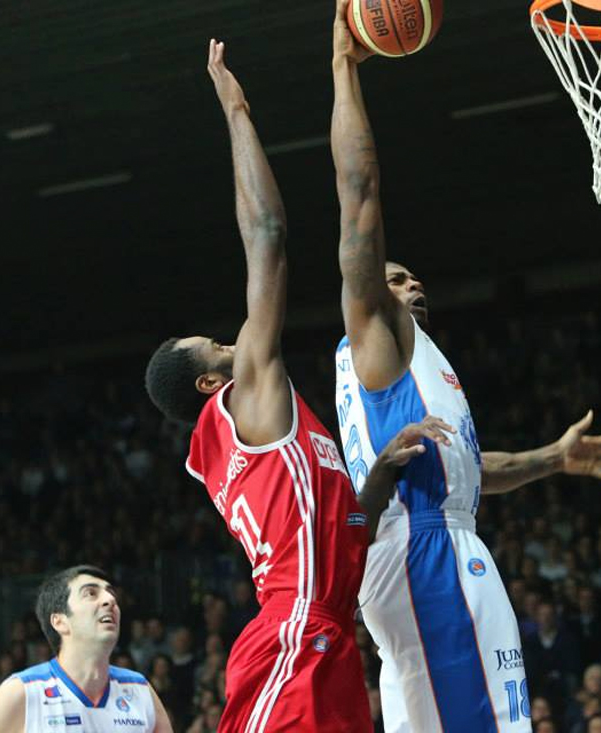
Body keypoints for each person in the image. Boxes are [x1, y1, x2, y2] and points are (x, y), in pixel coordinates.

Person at [328, 2, 601, 730]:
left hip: (431, 539)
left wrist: (550, 458)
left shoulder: (417, 365)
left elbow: (460, 468)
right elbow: (359, 197)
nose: (412, 285)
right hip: (427, 550)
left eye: (414, 279)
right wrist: (343, 69)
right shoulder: (377, 336)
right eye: (396, 279)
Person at [143, 40, 453, 733]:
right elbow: (268, 233)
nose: (237, 341)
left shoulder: (286, 435)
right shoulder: (244, 396)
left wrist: (379, 473)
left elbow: (346, 531)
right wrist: (235, 107)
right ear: (206, 382)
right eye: (220, 346)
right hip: (293, 635)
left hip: (330, 637)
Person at [0, 566, 173, 733]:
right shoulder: (21, 693)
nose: (110, 600)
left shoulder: (139, 689)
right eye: (91, 593)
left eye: (111, 594)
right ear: (60, 621)